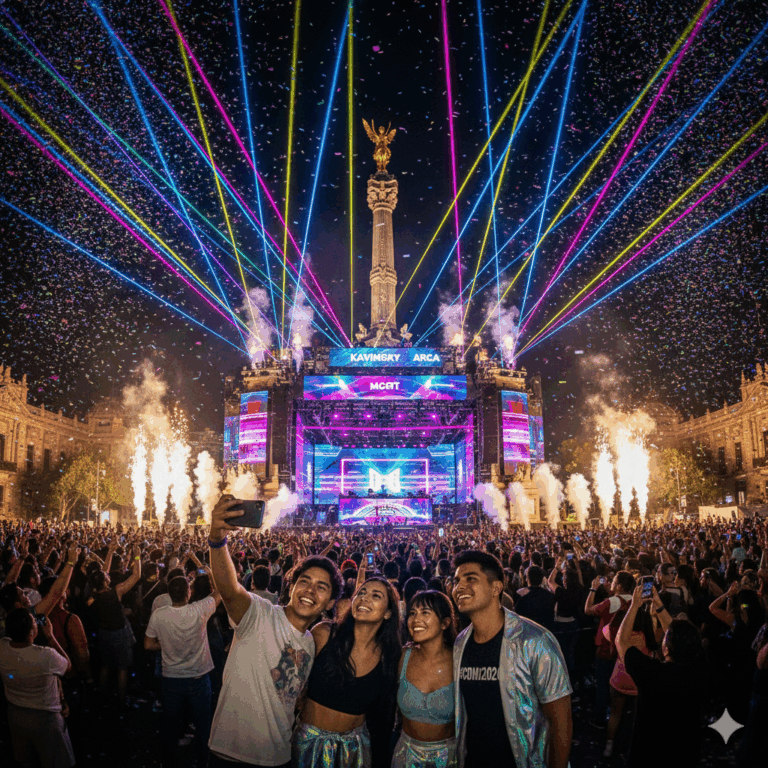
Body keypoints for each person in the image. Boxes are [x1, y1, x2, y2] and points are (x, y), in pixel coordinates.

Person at [207, 495, 342, 767]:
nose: (310, 591)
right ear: (291, 586)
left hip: (279, 757)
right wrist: (217, 540)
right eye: (304, 581)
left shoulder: (313, 643)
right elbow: (229, 589)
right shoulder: (260, 613)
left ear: (329, 603)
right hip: (230, 756)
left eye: (321, 587)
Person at [452, 550, 572, 768]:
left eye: (470, 579)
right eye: (456, 580)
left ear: (496, 588)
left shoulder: (535, 641)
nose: (459, 587)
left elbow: (561, 721)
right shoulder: (460, 643)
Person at [294, 576, 402, 768]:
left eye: (375, 595)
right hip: (308, 745)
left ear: (388, 613)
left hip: (355, 750)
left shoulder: (390, 657)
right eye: (361, 593)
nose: (364, 598)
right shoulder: (325, 634)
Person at [616, 584, 705, 768]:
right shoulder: (700, 666)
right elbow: (676, 634)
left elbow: (621, 641)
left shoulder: (653, 673)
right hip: (684, 755)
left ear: (665, 648)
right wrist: (659, 605)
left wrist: (634, 605)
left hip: (649, 755)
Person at [144, 571, 222, 767]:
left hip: (171, 679)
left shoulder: (159, 615)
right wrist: (211, 574)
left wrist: (166, 644)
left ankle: (169, 762)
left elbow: (147, 644)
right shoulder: (199, 610)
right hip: (198, 677)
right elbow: (220, 590)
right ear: (189, 592)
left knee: (170, 724)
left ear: (170, 593)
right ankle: (202, 761)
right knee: (203, 725)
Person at [0, 608, 75, 768]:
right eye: (34, 621)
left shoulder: (2, 646)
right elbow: (67, 667)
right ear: (32, 631)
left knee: (26, 760)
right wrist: (50, 636)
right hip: (46, 718)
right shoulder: (46, 655)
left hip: (15, 714)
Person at [393, 590, 457, 768]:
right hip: (406, 756)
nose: (415, 619)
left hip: (447, 759)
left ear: (445, 623)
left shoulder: (459, 661)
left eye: (425, 613)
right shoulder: (403, 656)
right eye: (412, 613)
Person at [87, 542, 142, 705]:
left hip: (104, 632)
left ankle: (103, 694)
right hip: (119, 632)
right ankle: (121, 698)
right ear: (106, 582)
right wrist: (137, 556)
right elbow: (136, 576)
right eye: (107, 577)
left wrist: (110, 552)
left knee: (105, 665)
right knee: (122, 667)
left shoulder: (93, 596)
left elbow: (101, 573)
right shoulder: (116, 591)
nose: (108, 575)